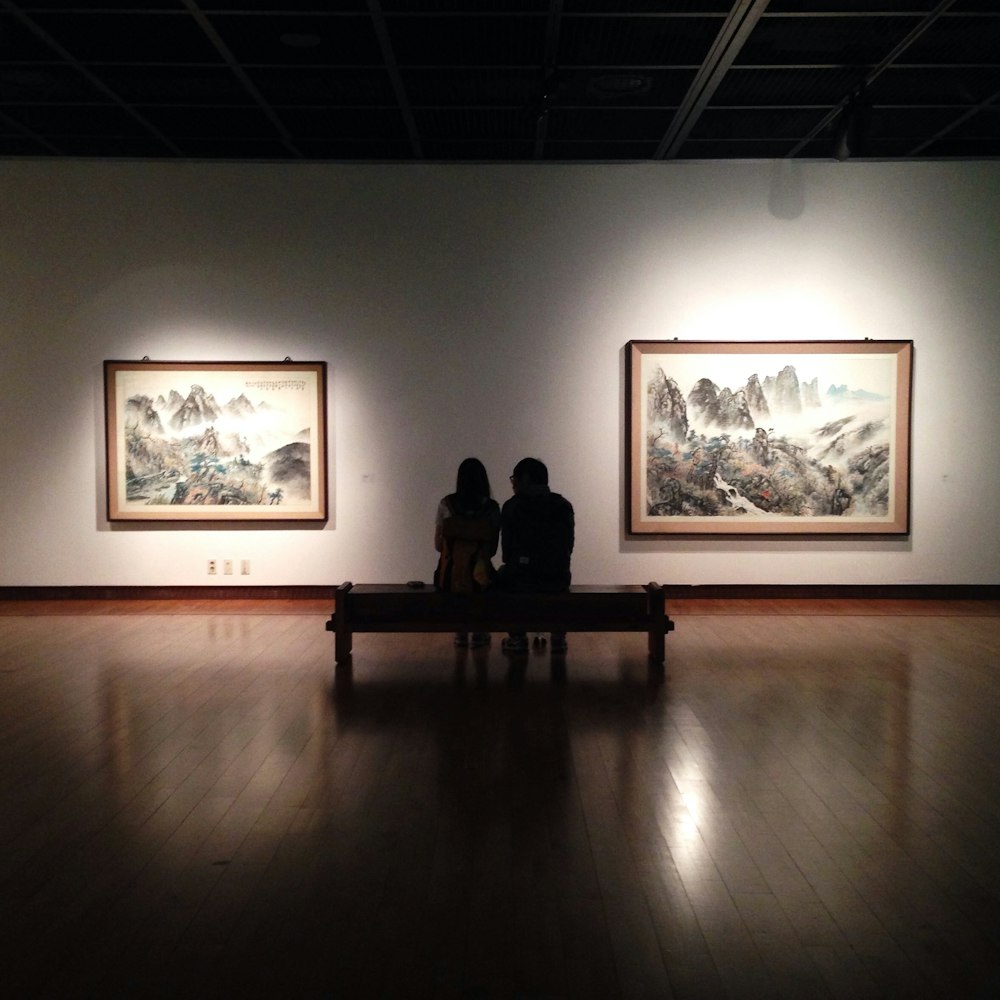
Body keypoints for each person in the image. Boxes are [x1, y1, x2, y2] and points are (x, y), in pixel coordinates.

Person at [495, 457, 574, 654]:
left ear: (526, 479)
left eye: (515, 478)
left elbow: (506, 553)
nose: (512, 483)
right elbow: (568, 546)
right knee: (557, 586)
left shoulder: (512, 506)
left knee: (505, 577)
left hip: (521, 579)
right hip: (557, 578)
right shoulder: (563, 505)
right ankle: (558, 636)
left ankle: (517, 637)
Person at [434, 457, 501, 647]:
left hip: (450, 578)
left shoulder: (446, 504)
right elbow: (493, 549)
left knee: (457, 583)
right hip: (480, 578)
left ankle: (460, 633)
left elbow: (438, 545)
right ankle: (480, 632)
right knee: (488, 580)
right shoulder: (492, 508)